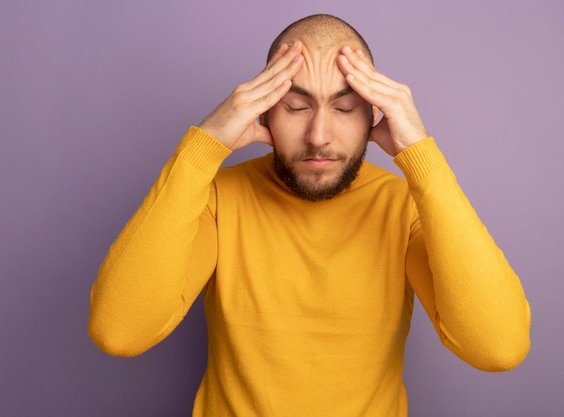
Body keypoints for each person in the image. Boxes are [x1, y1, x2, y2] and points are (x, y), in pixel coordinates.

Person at [88, 14, 531, 417]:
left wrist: (422, 155)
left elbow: (497, 347)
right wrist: (203, 149)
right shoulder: (219, 197)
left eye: (344, 108)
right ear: (263, 110)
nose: (319, 135)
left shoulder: (404, 205)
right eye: (296, 107)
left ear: (374, 116)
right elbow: (120, 331)